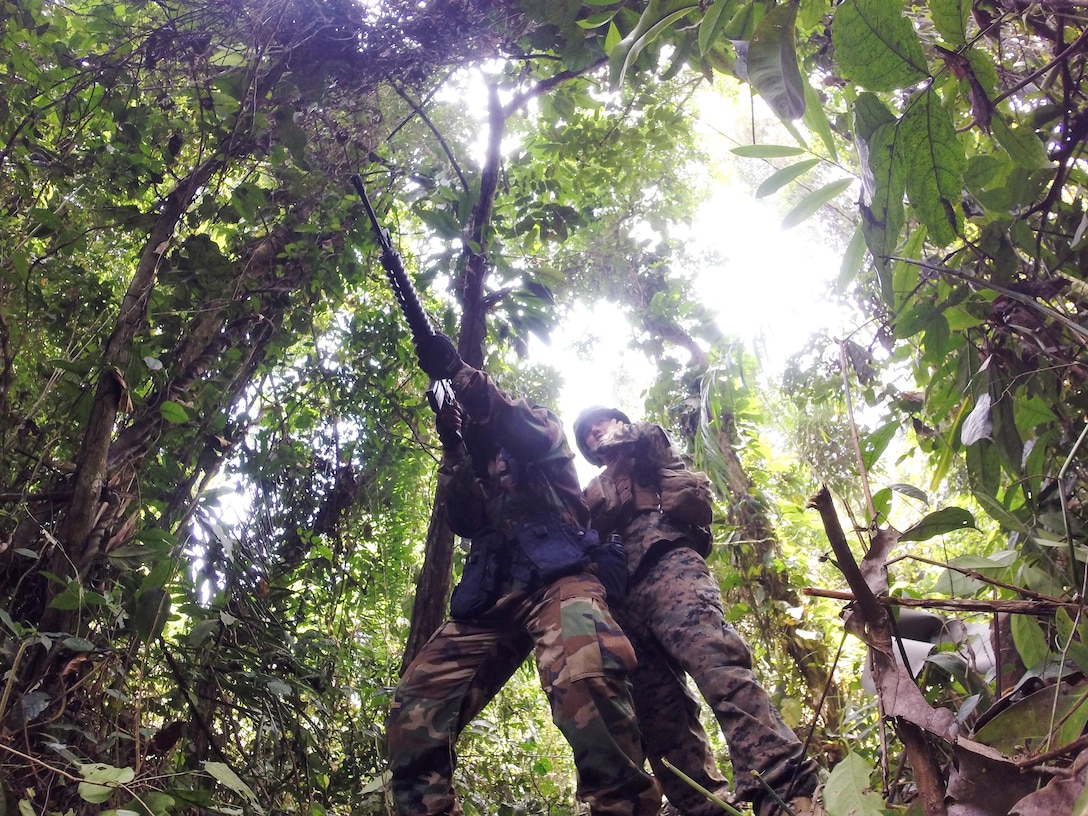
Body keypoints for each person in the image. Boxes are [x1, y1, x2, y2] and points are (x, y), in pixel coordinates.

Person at [385, 335, 662, 816]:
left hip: (562, 578)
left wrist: (459, 371)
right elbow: (465, 521)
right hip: (493, 597)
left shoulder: (539, 432)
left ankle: (623, 806)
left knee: (588, 676)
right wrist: (453, 451)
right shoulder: (475, 467)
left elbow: (524, 430)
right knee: (414, 707)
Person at [573, 406, 823, 816]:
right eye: (587, 437)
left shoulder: (644, 448)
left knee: (718, 666)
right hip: (621, 600)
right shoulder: (593, 490)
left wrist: (621, 436)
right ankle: (702, 806)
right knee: (659, 713)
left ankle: (784, 788)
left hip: (670, 566)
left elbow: (650, 440)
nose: (594, 436)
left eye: (599, 426)